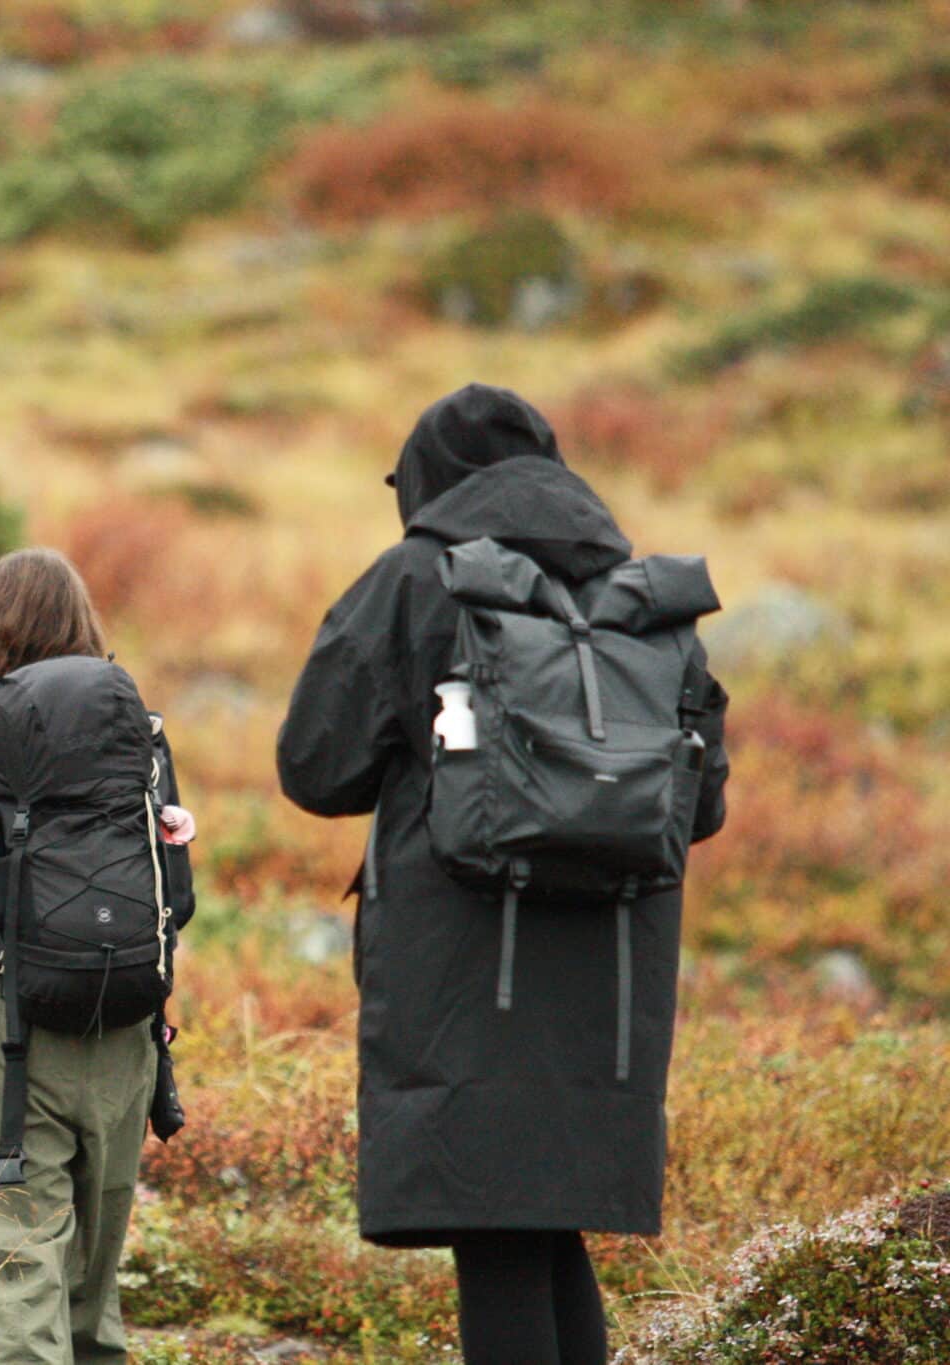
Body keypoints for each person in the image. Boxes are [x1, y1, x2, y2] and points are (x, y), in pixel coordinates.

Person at [276, 384, 730, 1365]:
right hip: (608, 986)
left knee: (497, 1240)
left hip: (464, 973)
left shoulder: (413, 579)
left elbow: (312, 765)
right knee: (541, 1231)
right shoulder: (640, 606)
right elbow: (703, 803)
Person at [0, 547, 195, 1365]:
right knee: (90, 1293)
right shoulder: (138, 721)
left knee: (17, 1259)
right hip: (127, 1022)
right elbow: (182, 896)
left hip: (9, 1026)